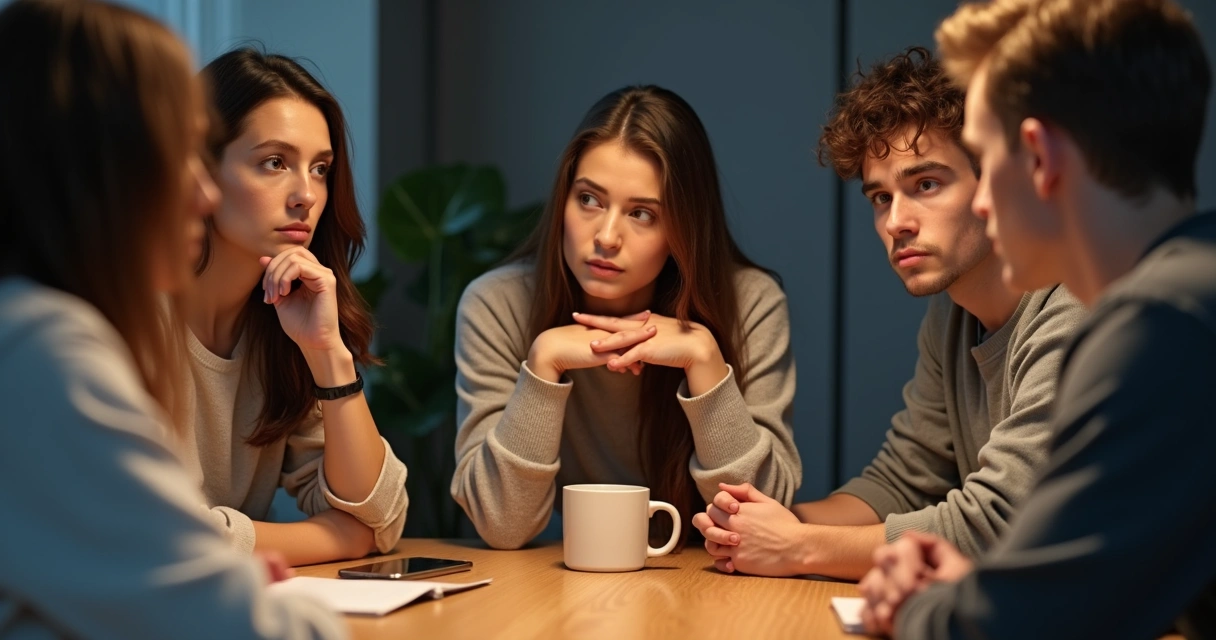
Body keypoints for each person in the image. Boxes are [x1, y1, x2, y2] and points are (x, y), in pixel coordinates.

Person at [858, 0, 1216, 637]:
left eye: (985, 159)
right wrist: (980, 588)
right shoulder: (1190, 291)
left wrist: (918, 605)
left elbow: (1019, 626)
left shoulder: (1156, 326)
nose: (984, 202)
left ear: (1040, 157)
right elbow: (1100, 588)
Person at [0, 1, 344, 637]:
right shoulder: (47, 348)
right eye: (178, 151)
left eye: (320, 168)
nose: (204, 193)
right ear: (96, 164)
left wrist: (329, 353)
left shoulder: (35, 329)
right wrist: (245, 584)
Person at [692, 47, 1084, 580]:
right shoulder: (953, 315)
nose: (897, 221)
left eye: (926, 184)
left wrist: (798, 547)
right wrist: (760, 526)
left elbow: (1002, 523)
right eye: (880, 197)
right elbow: (903, 481)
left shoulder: (1078, 309)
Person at [450, 85, 801, 549]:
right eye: (589, 200)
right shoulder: (499, 304)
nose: (607, 236)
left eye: (641, 213)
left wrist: (705, 362)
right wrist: (542, 365)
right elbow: (502, 525)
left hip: (710, 574)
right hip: (575, 577)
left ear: (683, 228)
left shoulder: (749, 302)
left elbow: (763, 518)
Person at [187, 49, 408, 565]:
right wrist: (337, 539)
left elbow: (380, 518)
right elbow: (153, 534)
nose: (306, 195)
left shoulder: (280, 327)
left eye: (321, 169)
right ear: (202, 171)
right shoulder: (126, 317)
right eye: (275, 162)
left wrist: (326, 353)